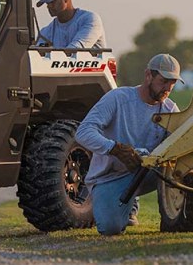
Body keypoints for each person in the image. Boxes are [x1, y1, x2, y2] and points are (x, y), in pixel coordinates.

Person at [75, 53, 182, 235]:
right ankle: (121, 203)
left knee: (183, 168)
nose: (168, 88)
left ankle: (179, 220)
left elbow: (181, 145)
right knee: (111, 228)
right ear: (148, 75)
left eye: (173, 83)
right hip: (110, 176)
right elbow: (83, 132)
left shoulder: (170, 109)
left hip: (148, 172)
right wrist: (115, 149)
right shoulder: (118, 98)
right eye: (164, 81)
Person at [36, 0, 107, 49]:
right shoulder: (46, 32)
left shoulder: (89, 19)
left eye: (53, 1)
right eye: (47, 3)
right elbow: (38, 56)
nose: (49, 6)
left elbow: (76, 50)